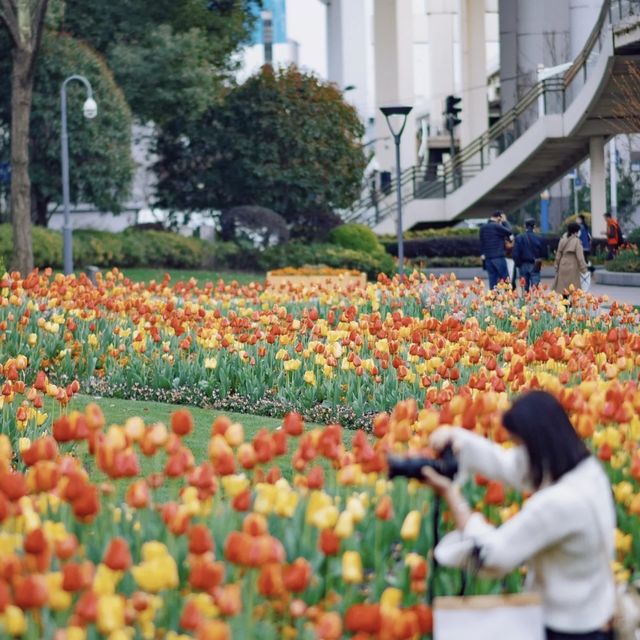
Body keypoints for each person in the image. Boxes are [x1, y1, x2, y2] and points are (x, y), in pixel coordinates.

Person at [422, 390, 616, 640]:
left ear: (537, 444)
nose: (517, 452)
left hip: (569, 630)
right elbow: (507, 463)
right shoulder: (587, 472)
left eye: (518, 444)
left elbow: (494, 555)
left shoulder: (561, 502)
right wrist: (456, 438)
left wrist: (451, 496)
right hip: (593, 612)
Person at [479, 211, 514, 289]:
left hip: (488, 258)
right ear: (499, 217)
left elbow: (481, 242)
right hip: (498, 257)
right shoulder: (496, 226)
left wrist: (483, 254)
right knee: (506, 279)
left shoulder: (483, 228)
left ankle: (493, 299)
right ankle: (508, 299)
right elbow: (509, 231)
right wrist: (505, 221)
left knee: (492, 281)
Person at [553, 221, 589, 294]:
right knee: (572, 289)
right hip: (572, 266)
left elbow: (558, 254)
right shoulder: (577, 241)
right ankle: (570, 305)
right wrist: (584, 268)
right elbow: (580, 257)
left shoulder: (562, 240)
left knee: (562, 289)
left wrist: (556, 265)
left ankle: (563, 304)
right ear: (576, 231)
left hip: (562, 265)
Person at [512, 219, 548, 292]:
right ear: (534, 226)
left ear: (525, 226)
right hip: (535, 264)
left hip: (523, 264)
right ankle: (535, 302)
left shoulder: (519, 237)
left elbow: (515, 253)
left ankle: (525, 302)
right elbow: (544, 253)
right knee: (535, 288)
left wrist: (519, 264)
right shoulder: (539, 238)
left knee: (524, 288)